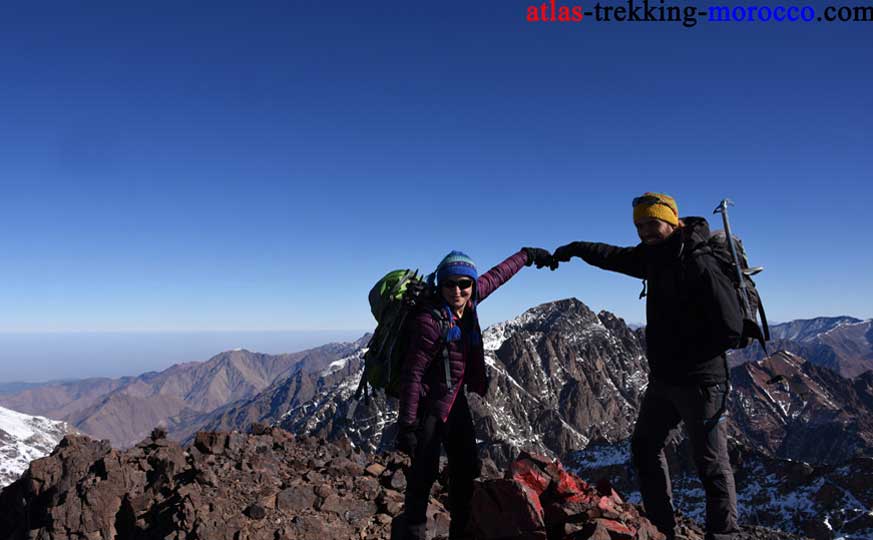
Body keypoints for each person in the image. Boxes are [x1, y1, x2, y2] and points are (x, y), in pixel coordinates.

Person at [551, 192, 742, 540]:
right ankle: (661, 528)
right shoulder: (654, 257)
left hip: (701, 382)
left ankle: (724, 534)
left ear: (672, 220)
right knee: (644, 446)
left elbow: (732, 327)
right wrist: (576, 248)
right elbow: (612, 256)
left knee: (711, 464)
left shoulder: (699, 261)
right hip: (665, 381)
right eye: (639, 226)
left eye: (651, 224)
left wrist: (686, 346)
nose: (644, 232)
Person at [395, 247, 553, 540]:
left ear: (472, 285)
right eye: (450, 283)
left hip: (455, 402)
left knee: (466, 469)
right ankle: (413, 534)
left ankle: (461, 531)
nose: (457, 290)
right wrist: (407, 425)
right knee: (423, 476)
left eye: (464, 284)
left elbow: (499, 274)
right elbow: (412, 375)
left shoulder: (471, 302)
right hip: (429, 409)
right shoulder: (428, 322)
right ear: (439, 284)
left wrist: (527, 256)